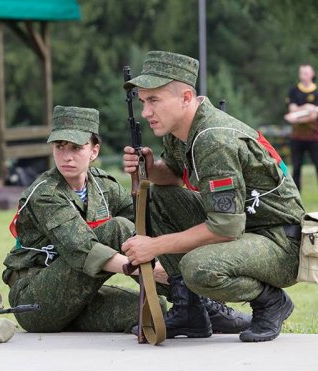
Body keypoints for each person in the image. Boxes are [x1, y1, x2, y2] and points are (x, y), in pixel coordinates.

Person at [122, 51, 304, 342]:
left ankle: (271, 301)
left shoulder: (213, 139)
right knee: (158, 198)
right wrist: (151, 167)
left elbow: (225, 227)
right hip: (246, 229)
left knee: (198, 268)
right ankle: (189, 311)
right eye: (143, 102)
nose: (146, 112)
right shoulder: (180, 129)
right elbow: (172, 174)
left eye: (154, 100)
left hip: (279, 242)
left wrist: (153, 246)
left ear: (185, 97)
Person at [2, 105, 152, 333]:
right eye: (60, 147)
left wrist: (147, 180)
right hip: (35, 300)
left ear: (94, 151)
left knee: (151, 308)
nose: (66, 157)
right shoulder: (45, 193)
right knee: (116, 228)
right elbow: (82, 249)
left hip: (75, 293)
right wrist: (147, 271)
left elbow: (143, 226)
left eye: (76, 148)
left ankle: (192, 302)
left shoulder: (104, 186)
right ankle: (184, 295)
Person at [284, 64, 318, 192]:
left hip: (314, 137)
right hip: (297, 137)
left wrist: (298, 116)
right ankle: (297, 198)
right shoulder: (294, 90)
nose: (303, 76)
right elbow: (292, 110)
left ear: (312, 74)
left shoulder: (316, 91)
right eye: (301, 73)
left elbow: (313, 116)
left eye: (306, 73)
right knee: (296, 169)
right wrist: (308, 107)